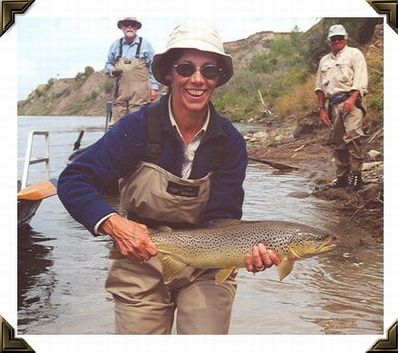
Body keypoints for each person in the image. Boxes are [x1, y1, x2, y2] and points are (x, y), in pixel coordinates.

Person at [58, 22, 280, 334]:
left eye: (209, 71)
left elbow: (223, 218)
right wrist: (112, 223)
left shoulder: (230, 141)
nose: (198, 79)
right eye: (186, 68)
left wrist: (248, 253)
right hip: (140, 258)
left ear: (218, 79)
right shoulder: (138, 127)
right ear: (169, 75)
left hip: (207, 266)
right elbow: (74, 178)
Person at [315, 24, 368, 190]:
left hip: (352, 103)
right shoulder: (324, 61)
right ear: (329, 41)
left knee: (353, 138)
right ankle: (341, 177)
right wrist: (322, 109)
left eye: (340, 38)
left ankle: (355, 177)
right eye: (333, 39)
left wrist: (352, 99)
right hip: (333, 105)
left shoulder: (354, 54)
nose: (337, 41)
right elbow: (319, 88)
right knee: (338, 143)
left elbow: (360, 79)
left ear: (346, 38)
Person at [105, 17, 160, 126]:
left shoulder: (146, 45)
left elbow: (153, 67)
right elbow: (108, 64)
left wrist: (154, 88)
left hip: (139, 95)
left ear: (136, 28)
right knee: (117, 126)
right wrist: (112, 71)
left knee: (137, 124)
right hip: (120, 94)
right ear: (122, 27)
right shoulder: (115, 45)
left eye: (132, 25)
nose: (129, 27)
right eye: (126, 24)